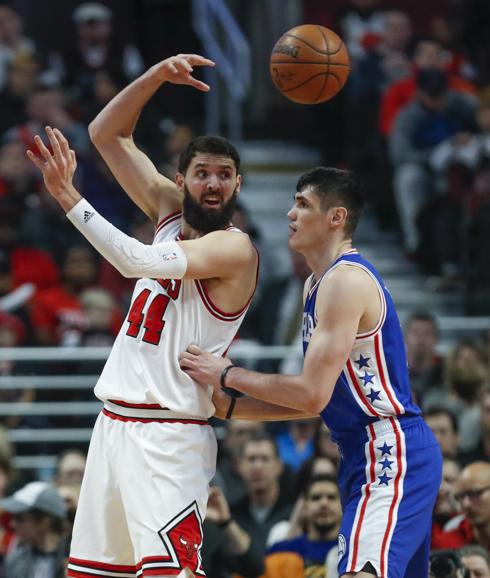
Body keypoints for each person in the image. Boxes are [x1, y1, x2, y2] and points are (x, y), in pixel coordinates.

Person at [26, 53, 259, 578]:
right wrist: (156, 76)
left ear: (239, 186)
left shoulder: (235, 249)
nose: (214, 184)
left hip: (170, 434)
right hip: (113, 427)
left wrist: (70, 198)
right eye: (203, 173)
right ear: (182, 180)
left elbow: (135, 261)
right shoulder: (167, 209)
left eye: (225, 175)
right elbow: (106, 134)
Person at [180, 167, 443, 578]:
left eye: (303, 204)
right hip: (362, 451)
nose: (290, 214)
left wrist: (228, 374)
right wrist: (234, 409)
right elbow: (315, 402)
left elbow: (311, 393)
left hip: (389, 450)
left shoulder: (345, 282)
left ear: (336, 218)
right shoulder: (316, 285)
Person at [263, 474, 342, 578]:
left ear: (343, 504)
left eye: (331, 497)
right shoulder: (281, 550)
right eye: (316, 498)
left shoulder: (353, 552)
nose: (324, 503)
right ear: (304, 505)